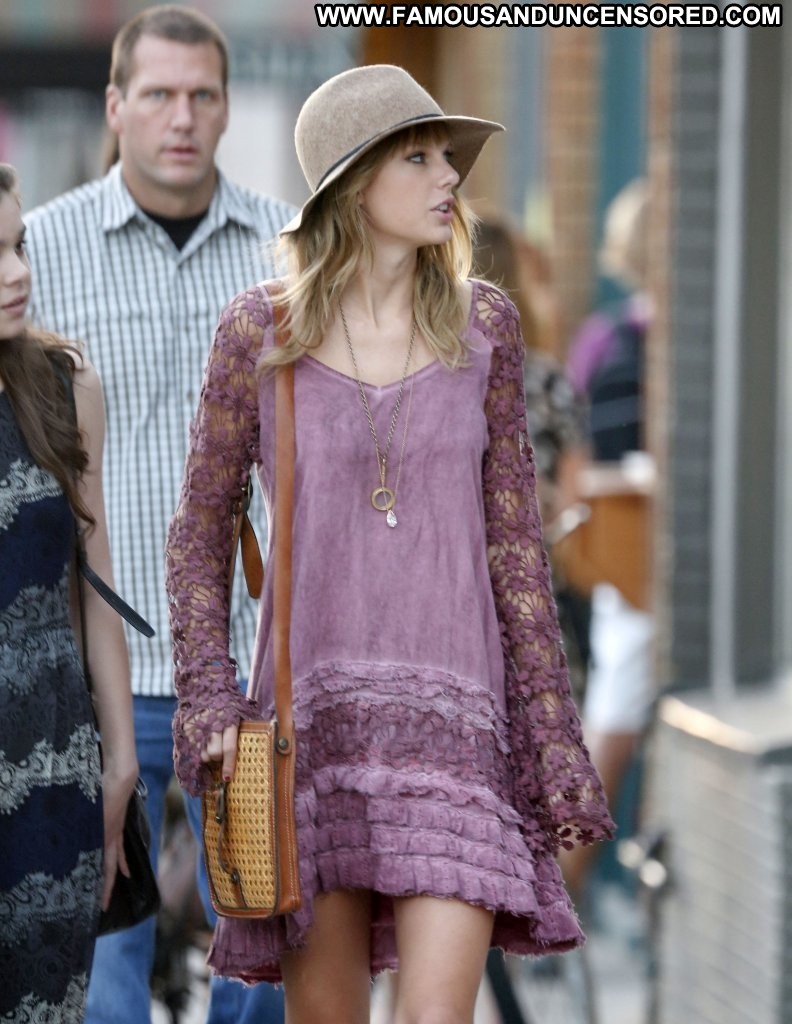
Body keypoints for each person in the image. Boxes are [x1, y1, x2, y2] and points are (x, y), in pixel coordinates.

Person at [165, 64, 614, 1024]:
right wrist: (207, 693)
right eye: (418, 158)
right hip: (314, 735)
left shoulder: (484, 329)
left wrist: (549, 732)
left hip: (458, 734)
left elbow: (516, 550)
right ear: (353, 183)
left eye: (447, 156)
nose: (449, 177)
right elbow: (200, 531)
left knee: (438, 1015)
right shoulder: (261, 333)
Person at [23, 6, 294, 1023]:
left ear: (226, 107)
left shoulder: (288, 249)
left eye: (201, 95)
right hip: (102, 669)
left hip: (250, 670)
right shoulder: (41, 250)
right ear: (116, 106)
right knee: (100, 979)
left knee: (261, 963)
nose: (181, 117)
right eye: (158, 95)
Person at [0, 163, 138, 1022]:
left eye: (17, 245)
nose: (17, 271)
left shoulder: (63, 385)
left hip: (53, 770)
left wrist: (118, 760)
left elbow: (95, 583)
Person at [561, 178, 655, 897]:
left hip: (655, 567)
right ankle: (557, 900)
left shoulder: (695, 338)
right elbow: (576, 458)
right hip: (627, 563)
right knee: (612, 726)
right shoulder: (609, 338)